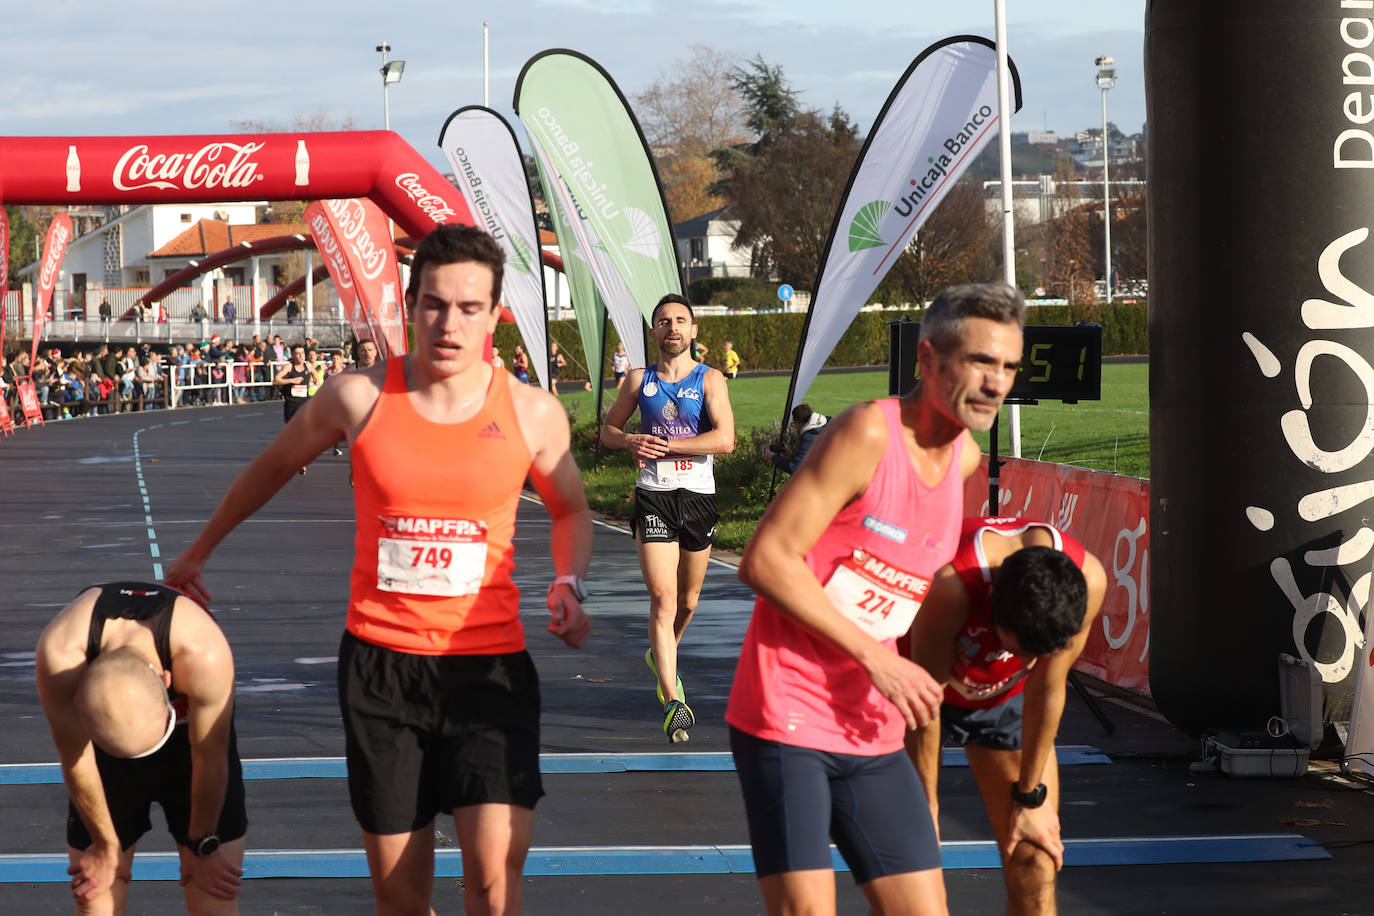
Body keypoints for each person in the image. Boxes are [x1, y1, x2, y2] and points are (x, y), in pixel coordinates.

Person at [164, 225, 592, 916]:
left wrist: (569, 582)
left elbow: (571, 511)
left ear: (494, 313)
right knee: (399, 895)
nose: (448, 324)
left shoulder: (532, 414)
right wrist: (198, 550)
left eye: (469, 308)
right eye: (433, 304)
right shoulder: (357, 398)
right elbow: (273, 466)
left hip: (489, 673)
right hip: (381, 673)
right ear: (411, 303)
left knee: (492, 884)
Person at [727, 283, 1026, 916]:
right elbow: (766, 559)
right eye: (980, 362)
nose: (996, 382)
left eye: (1008, 366)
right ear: (928, 361)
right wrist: (878, 657)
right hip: (788, 714)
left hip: (872, 728)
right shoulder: (868, 433)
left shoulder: (966, 459)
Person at [906, 518, 1104, 916]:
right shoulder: (951, 586)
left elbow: (1046, 688)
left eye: (1037, 654)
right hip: (913, 695)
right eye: (1019, 648)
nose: (1026, 662)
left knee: (1035, 862)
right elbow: (924, 706)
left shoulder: (1088, 579)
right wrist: (924, 807)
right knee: (912, 888)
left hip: (1002, 702)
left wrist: (1029, 798)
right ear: (994, 602)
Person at [35, 582, 246, 915]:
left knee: (212, 893)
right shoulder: (60, 655)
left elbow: (209, 756)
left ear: (167, 681)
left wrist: (202, 844)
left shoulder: (203, 653)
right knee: (96, 895)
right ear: (80, 702)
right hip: (104, 756)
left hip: (191, 746)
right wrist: (105, 846)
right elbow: (75, 756)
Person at [602, 294, 735, 743]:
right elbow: (609, 430)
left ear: (693, 330)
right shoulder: (639, 380)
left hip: (698, 496)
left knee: (689, 601)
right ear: (654, 332)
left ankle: (662, 654)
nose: (672, 327)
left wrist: (670, 447)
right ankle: (673, 699)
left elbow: (725, 440)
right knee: (663, 599)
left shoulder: (711, 379)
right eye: (664, 322)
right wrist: (631, 441)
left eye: (680, 320)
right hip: (655, 497)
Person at [273, 345, 315, 476]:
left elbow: (314, 372)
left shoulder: (308, 366)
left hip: (305, 403)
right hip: (292, 404)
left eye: (302, 353)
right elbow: (276, 380)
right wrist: (292, 380)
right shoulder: (289, 367)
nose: (300, 356)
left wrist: (316, 378)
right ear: (292, 355)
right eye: (297, 353)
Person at [764, 403, 828, 475]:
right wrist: (790, 455)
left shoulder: (809, 437)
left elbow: (795, 468)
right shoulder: (824, 424)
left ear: (798, 423)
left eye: (794, 423)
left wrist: (772, 457)